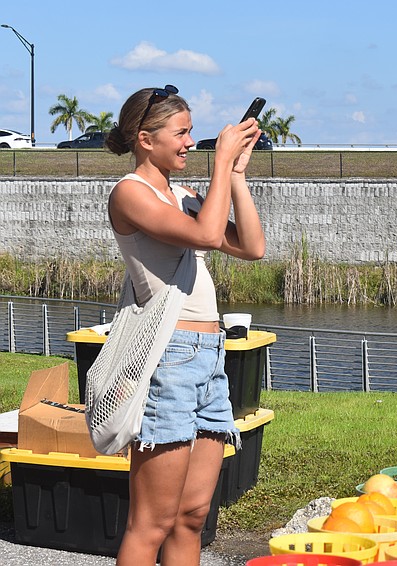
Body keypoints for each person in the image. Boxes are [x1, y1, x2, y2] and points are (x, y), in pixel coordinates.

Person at [104, 85, 266, 565]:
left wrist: (235, 175)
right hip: (167, 358)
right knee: (151, 521)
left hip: (209, 359)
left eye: (193, 132)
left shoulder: (186, 194)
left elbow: (251, 246)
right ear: (144, 139)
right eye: (181, 133)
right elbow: (207, 234)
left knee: (193, 515)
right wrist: (220, 164)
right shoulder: (130, 195)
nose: (190, 143)